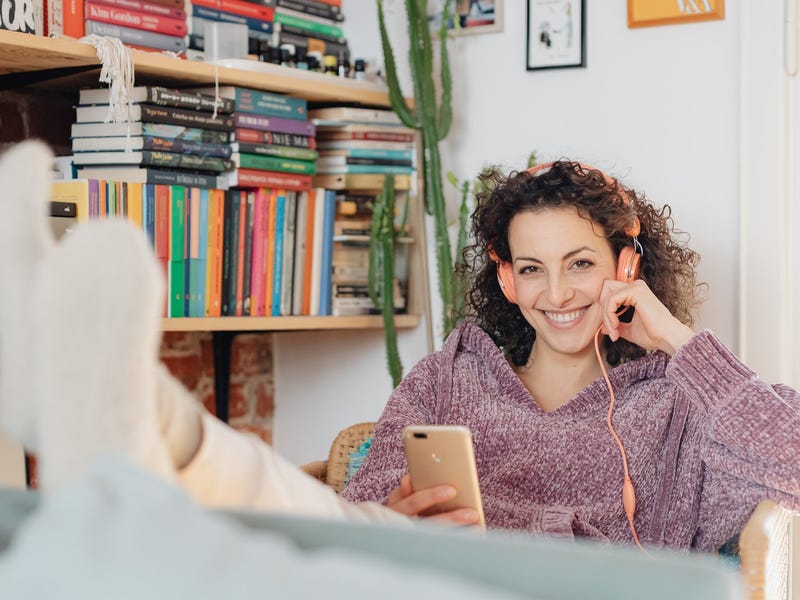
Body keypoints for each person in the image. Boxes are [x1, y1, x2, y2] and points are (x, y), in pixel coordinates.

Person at [341, 160, 800, 552]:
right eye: (531, 269)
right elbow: (353, 537)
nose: (557, 295)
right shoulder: (447, 380)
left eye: (580, 263)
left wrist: (677, 341)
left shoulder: (679, 407)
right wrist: (390, 523)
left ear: (626, 267)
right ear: (508, 280)